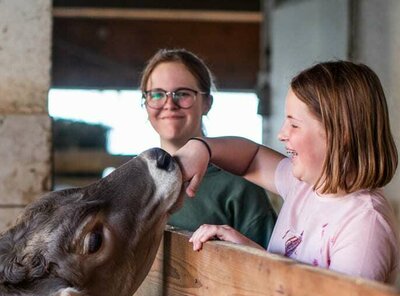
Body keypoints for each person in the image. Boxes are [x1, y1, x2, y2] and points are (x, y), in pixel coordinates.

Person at [174, 60, 399, 283]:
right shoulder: (304, 187)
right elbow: (250, 158)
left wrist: (256, 258)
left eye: (294, 125)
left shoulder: (364, 225)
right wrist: (202, 147)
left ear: (340, 133)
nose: (282, 134)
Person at [140, 48, 277, 248]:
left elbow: (273, 267)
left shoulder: (239, 185)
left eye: (183, 94)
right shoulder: (135, 181)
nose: (169, 104)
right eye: (158, 94)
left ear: (207, 103)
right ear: (146, 103)